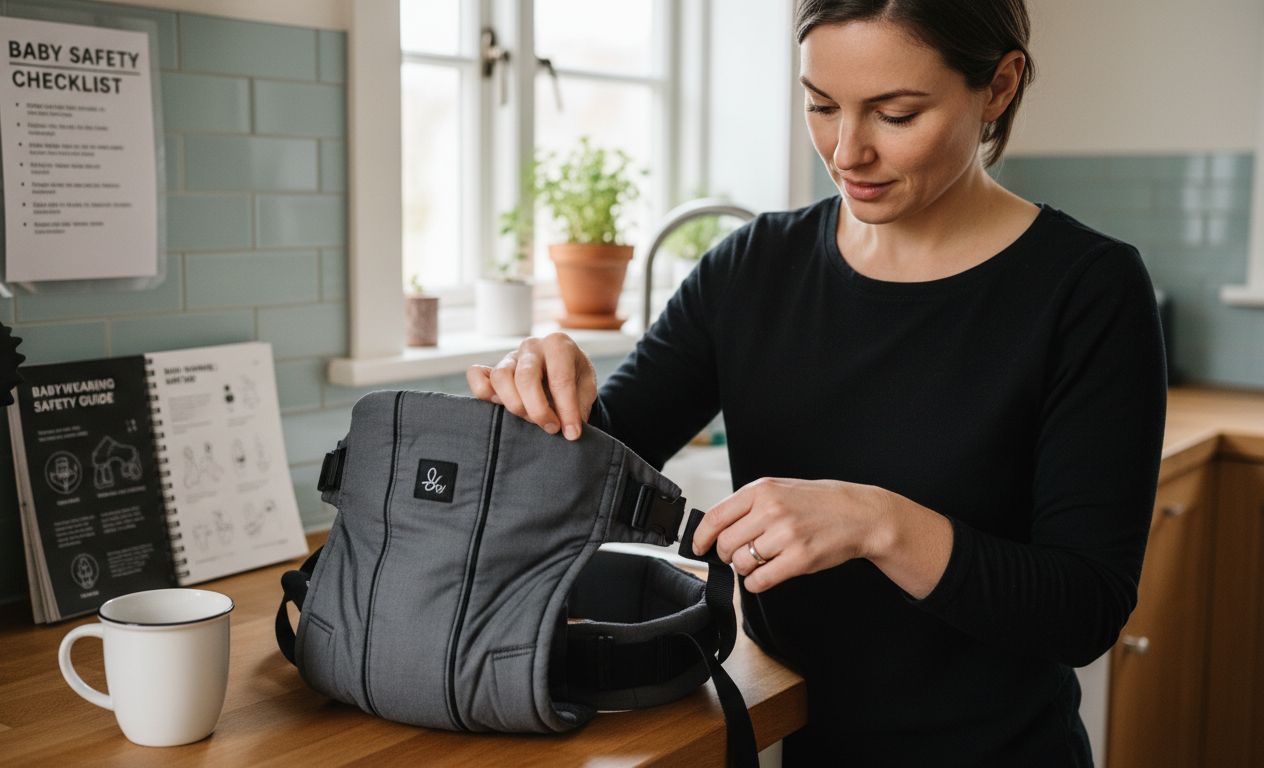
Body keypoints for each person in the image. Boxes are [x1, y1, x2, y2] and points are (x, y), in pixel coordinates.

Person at [467, 0, 1167, 764]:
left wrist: (878, 524)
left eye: (895, 114)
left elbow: (1085, 609)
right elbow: (594, 468)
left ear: (998, 86)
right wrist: (546, 384)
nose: (846, 151)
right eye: (820, 105)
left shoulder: (1086, 290)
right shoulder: (752, 269)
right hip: (797, 739)